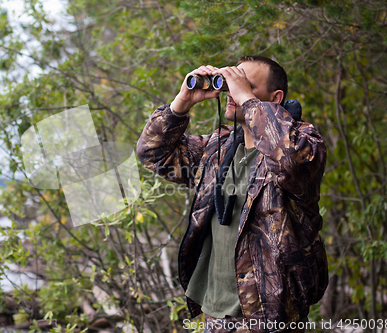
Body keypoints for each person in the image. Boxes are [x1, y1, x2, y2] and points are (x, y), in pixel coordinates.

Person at [136, 56, 328, 332]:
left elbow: (288, 160)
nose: (231, 92)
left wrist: (247, 99)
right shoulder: (218, 148)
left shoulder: (303, 143)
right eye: (230, 83)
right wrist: (182, 102)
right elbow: (152, 153)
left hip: (271, 316)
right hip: (215, 313)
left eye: (244, 84)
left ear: (276, 98)